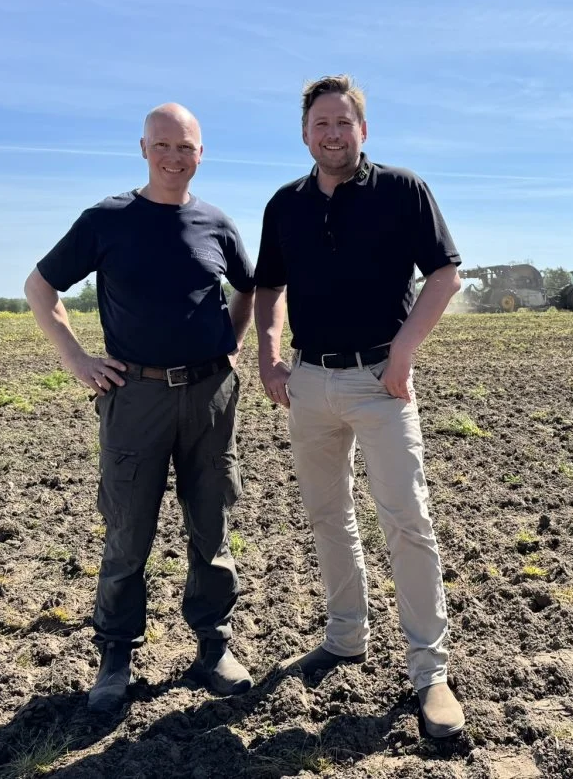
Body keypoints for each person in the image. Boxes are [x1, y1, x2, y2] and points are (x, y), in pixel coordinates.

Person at [24, 103, 256, 713]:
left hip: (210, 396)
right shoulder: (106, 220)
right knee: (128, 531)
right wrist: (78, 361)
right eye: (164, 146)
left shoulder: (217, 223)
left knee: (212, 525)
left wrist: (230, 344)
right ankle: (116, 655)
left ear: (201, 153)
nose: (175, 157)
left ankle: (213, 644)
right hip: (135, 397)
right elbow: (40, 287)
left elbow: (250, 289)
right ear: (144, 149)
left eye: (187, 147)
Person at [253, 75, 466, 738]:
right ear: (305, 133)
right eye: (321, 124)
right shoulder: (284, 204)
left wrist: (403, 353)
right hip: (310, 383)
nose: (333, 134)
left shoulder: (403, 191)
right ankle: (346, 636)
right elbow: (268, 286)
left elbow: (444, 275)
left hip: (382, 381)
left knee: (407, 521)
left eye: (344, 123)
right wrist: (268, 353)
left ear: (362, 131)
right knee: (327, 516)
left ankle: (430, 675)